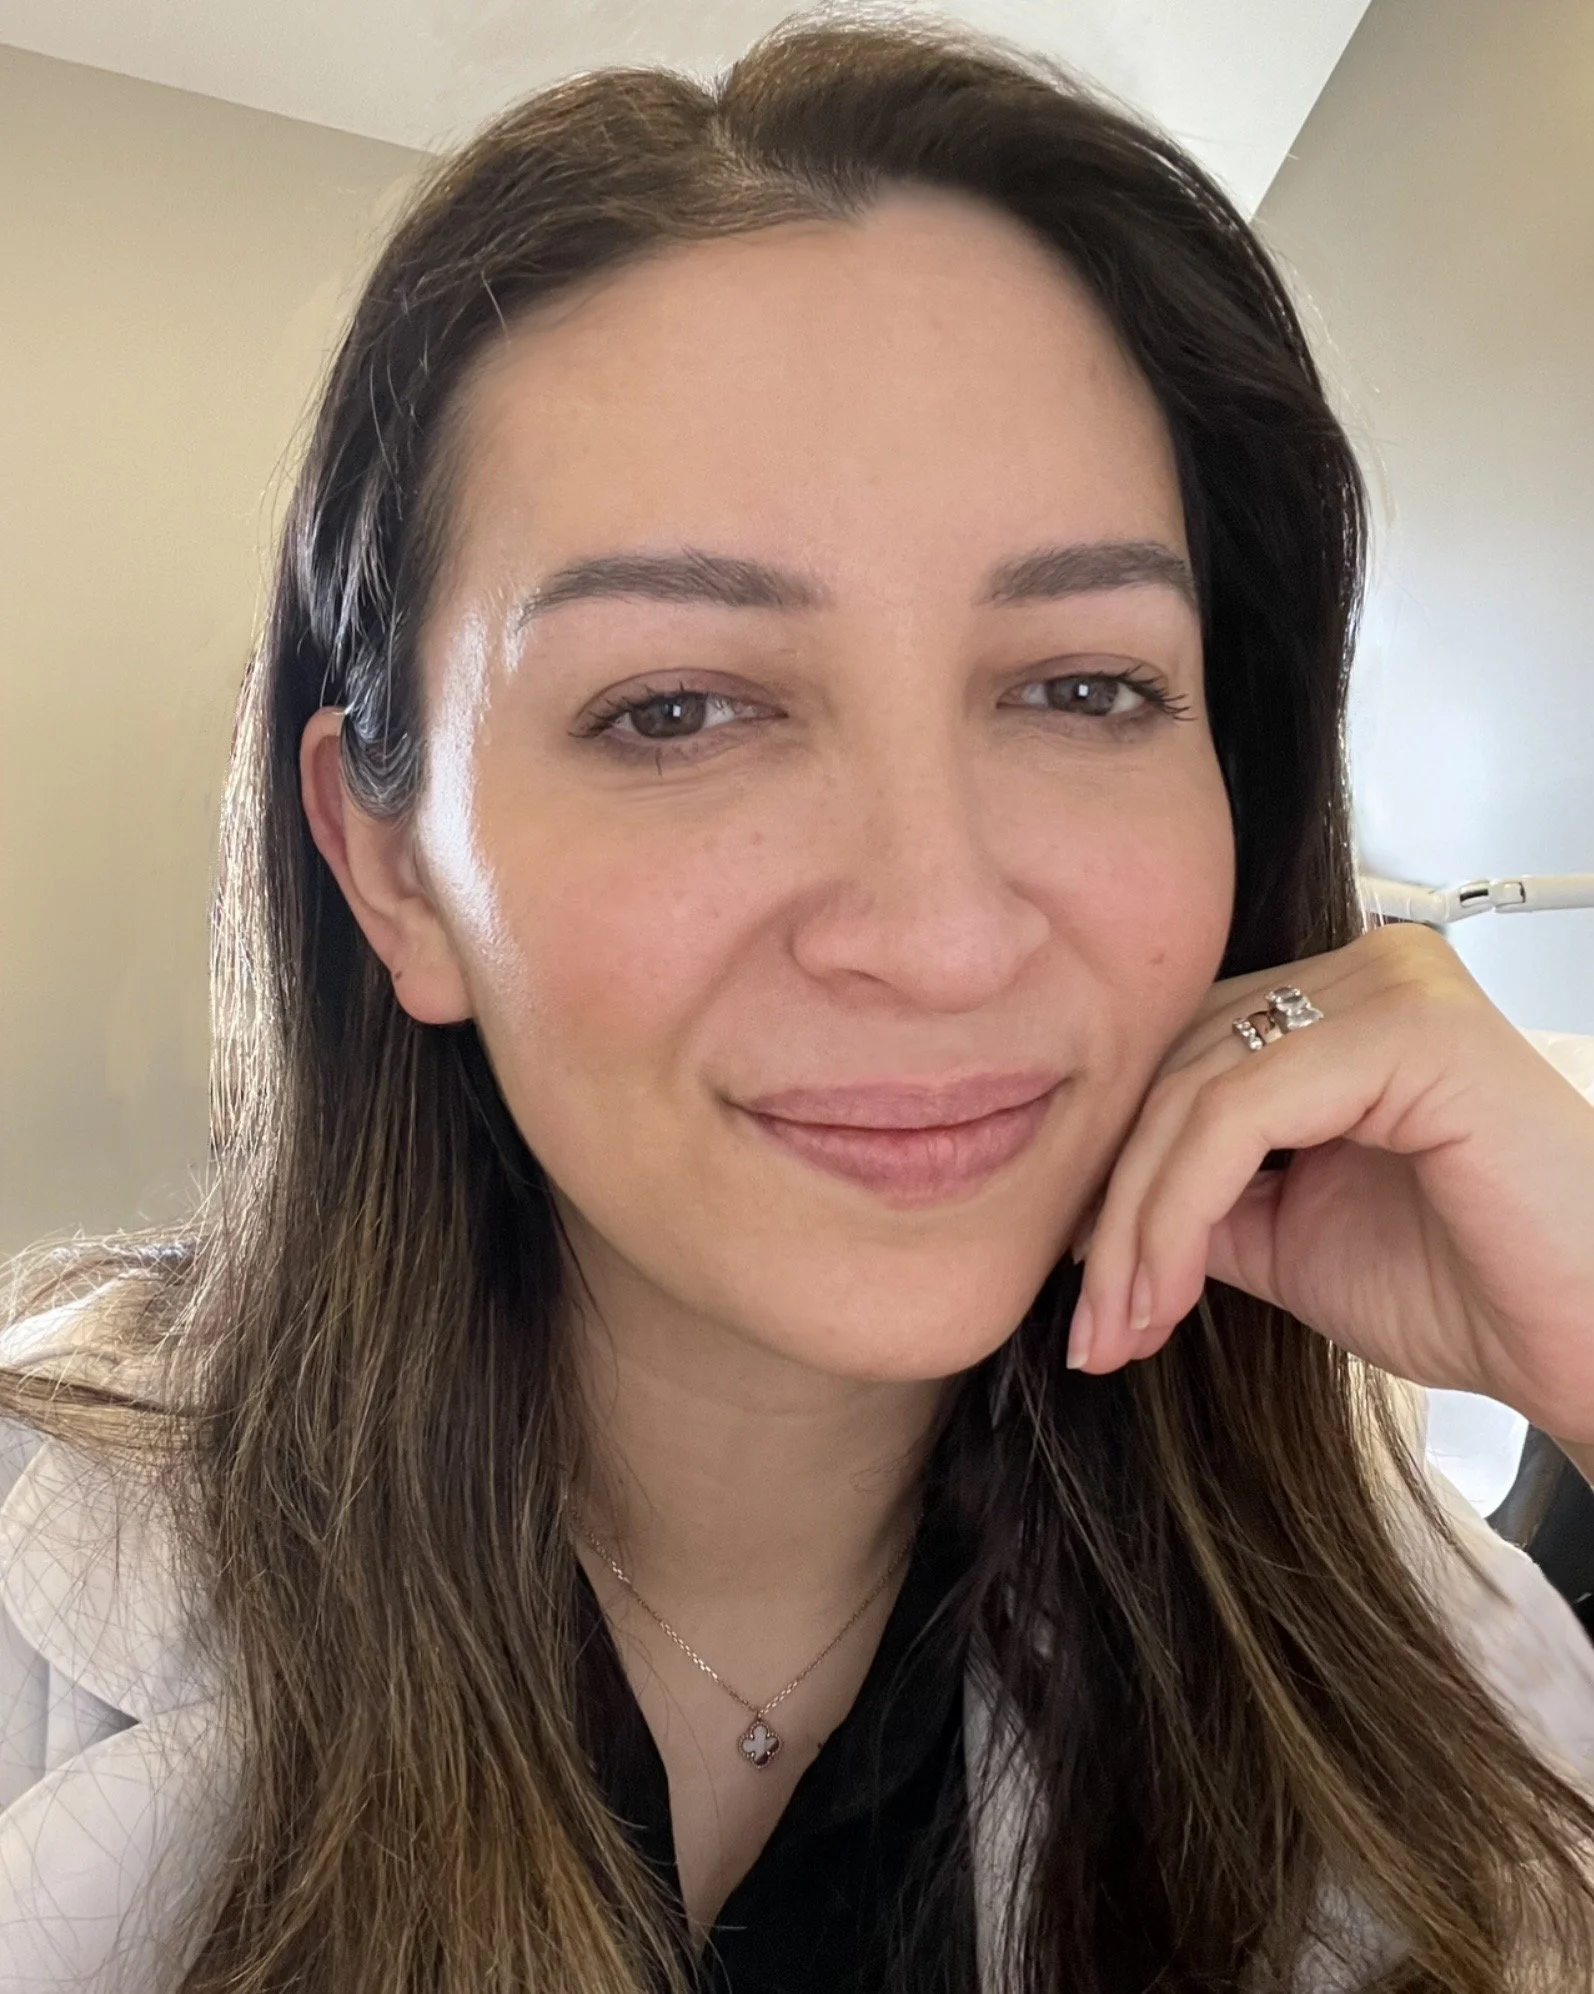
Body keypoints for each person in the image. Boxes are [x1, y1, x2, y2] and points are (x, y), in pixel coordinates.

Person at [3, 13, 1594, 1992]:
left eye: (1083, 686)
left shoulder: (1422, 1648)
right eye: (677, 709)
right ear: (391, 866)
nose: (937, 934)